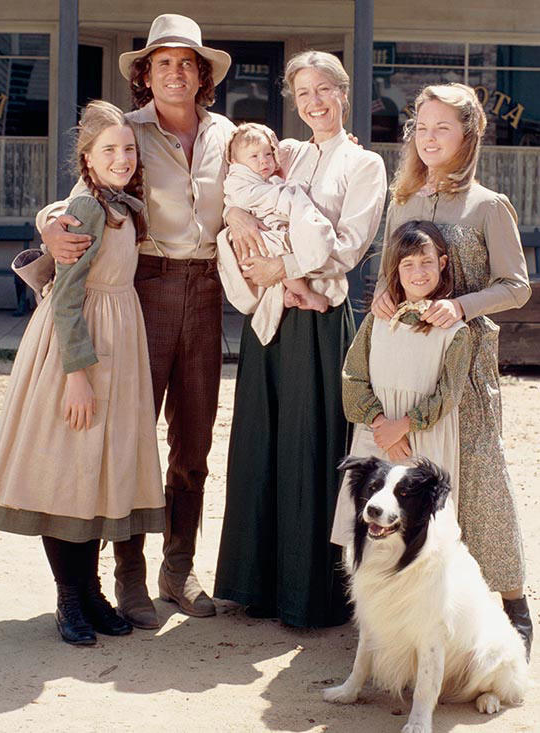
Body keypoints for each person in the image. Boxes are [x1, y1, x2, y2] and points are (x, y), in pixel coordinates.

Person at [36, 15, 251, 627]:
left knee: (194, 443)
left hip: (207, 289)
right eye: (164, 62)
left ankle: (178, 571)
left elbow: (261, 190)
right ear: (145, 75)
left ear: (202, 74)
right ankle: (126, 578)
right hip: (142, 288)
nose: (176, 72)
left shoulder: (227, 134)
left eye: (188, 62)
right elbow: (80, 193)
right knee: (128, 437)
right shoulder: (125, 132)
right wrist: (48, 225)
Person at [214, 51, 387, 628]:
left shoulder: (363, 165)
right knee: (262, 438)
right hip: (269, 312)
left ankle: (306, 593)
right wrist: (236, 220)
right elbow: (242, 190)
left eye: (323, 90)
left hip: (318, 317)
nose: (313, 102)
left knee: (310, 446)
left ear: (343, 92)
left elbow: (349, 245)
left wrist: (281, 265)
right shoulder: (285, 152)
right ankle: (253, 585)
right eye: (302, 92)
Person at [0, 101, 165, 645]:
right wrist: (77, 375)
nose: (121, 158)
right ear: (86, 158)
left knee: (94, 477)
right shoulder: (86, 208)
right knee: (68, 476)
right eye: (108, 150)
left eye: (128, 149)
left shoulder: (123, 207)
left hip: (117, 334)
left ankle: (90, 593)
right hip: (79, 345)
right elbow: (65, 296)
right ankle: (70, 598)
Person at [371, 82, 533, 659]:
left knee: (480, 474)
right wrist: (384, 298)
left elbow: (516, 287)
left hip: (466, 362)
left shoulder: (489, 205)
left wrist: (460, 306)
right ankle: (414, 606)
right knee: (414, 472)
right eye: (422, 125)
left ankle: (511, 600)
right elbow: (391, 274)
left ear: (468, 135)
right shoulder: (403, 201)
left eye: (444, 127)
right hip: (407, 365)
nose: (430, 137)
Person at [330, 220, 471, 546]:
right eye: (408, 264)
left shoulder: (454, 332)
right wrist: (383, 427)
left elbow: (448, 394)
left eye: (426, 262)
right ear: (395, 268)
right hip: (376, 436)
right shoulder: (377, 323)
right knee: (370, 527)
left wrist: (404, 426)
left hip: (425, 439)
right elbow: (353, 377)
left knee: (418, 532)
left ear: (442, 263)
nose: (418, 272)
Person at [218, 121, 351, 345]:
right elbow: (252, 197)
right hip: (255, 239)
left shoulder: (280, 164)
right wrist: (288, 196)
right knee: (281, 246)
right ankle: (306, 294)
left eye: (268, 154)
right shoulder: (238, 180)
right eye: (254, 157)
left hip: (265, 228)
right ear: (236, 162)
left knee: (288, 246)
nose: (264, 161)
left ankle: (285, 296)